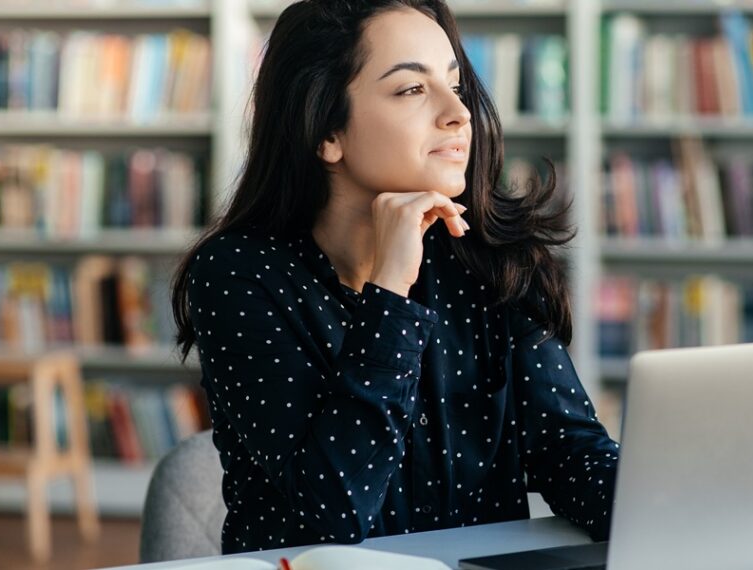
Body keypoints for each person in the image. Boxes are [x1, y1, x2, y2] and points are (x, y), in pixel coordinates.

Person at [170, 0, 619, 554]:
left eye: (455, 84)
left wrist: (681, 509)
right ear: (325, 130)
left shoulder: (488, 257)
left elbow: (569, 452)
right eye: (412, 89)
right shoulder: (239, 275)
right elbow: (332, 511)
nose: (459, 113)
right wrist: (389, 292)